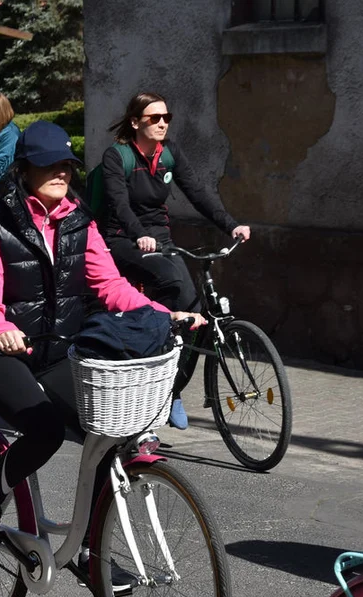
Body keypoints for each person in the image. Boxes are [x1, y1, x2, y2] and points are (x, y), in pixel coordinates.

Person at [0, 120, 204, 565]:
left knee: (108, 430)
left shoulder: (78, 221)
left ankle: (88, 548)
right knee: (46, 431)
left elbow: (110, 286)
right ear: (25, 169)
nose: (62, 174)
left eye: (67, 166)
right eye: (50, 166)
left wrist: (167, 315)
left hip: (56, 350)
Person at [100, 91, 250, 429]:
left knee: (195, 309)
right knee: (178, 292)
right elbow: (119, 206)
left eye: (166, 117)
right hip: (124, 240)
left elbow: (198, 193)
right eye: (155, 118)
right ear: (136, 122)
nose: (163, 123)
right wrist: (138, 233)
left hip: (161, 240)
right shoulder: (118, 156)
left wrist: (231, 224)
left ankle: (172, 387)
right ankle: (158, 360)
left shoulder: (169, 153)